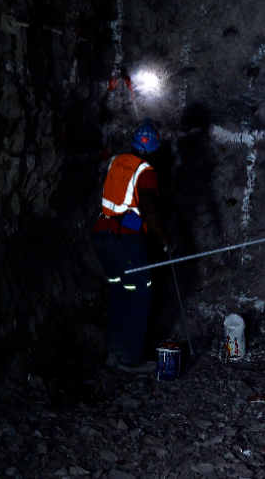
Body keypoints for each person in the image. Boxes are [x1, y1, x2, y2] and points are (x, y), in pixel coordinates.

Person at [92, 119, 174, 371]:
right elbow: (148, 209)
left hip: (102, 234)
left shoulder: (116, 161)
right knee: (140, 292)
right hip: (124, 238)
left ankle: (114, 354)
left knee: (119, 292)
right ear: (155, 147)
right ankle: (131, 359)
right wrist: (166, 240)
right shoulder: (146, 172)